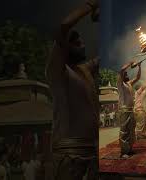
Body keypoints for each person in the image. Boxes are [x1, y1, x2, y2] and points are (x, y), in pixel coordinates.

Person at [45, 0, 100, 179]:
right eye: (75, 41)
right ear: (64, 48)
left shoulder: (84, 71)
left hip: (91, 153)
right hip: (69, 156)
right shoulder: (57, 70)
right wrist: (91, 6)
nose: (81, 43)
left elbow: (100, 57)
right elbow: (63, 27)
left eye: (81, 40)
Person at [117, 61, 142, 158]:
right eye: (125, 74)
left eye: (127, 74)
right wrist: (130, 62)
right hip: (124, 111)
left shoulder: (129, 84)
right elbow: (122, 70)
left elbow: (138, 77)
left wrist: (139, 66)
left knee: (131, 130)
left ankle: (129, 149)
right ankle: (124, 152)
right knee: (124, 131)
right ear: (122, 76)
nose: (127, 75)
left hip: (131, 110)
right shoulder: (120, 84)